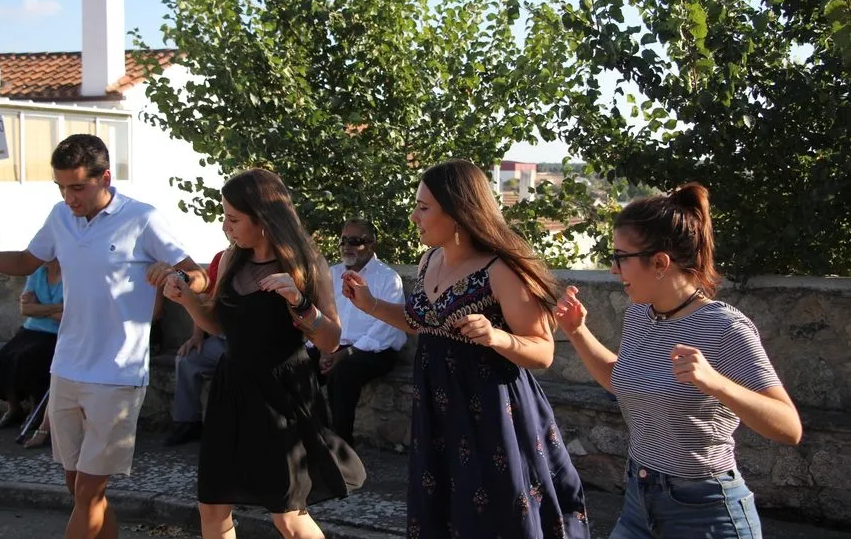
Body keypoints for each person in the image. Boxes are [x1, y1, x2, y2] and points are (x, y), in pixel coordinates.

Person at [0, 134, 207, 539]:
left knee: (88, 490)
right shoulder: (60, 216)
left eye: (78, 187)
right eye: (61, 187)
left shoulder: (142, 218)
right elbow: (28, 260)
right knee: (81, 492)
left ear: (105, 178)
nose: (69, 197)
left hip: (117, 373)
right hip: (66, 367)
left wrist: (176, 277)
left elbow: (199, 275)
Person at [342, 159, 590, 538]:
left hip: (490, 411)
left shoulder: (501, 270)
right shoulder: (430, 260)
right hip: (437, 407)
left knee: (495, 515)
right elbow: (421, 322)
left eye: (423, 208)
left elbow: (543, 351)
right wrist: (370, 304)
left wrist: (496, 337)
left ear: (457, 212)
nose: (414, 217)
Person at [553, 183, 802, 539]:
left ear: (659, 262)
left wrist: (715, 383)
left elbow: (789, 428)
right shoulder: (639, 315)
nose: (613, 270)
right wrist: (577, 332)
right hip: (638, 502)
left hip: (705, 512)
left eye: (621, 257)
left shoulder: (725, 327)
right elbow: (621, 380)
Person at [163, 168, 365, 539]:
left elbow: (330, 341)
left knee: (288, 515)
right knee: (212, 506)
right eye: (225, 217)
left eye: (234, 219)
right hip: (230, 389)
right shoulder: (231, 259)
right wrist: (187, 299)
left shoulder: (306, 264)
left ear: (263, 218)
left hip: (281, 394)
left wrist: (298, 301)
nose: (225, 226)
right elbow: (219, 325)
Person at [307, 219, 406, 448]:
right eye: (343, 241)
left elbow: (385, 329)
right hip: (333, 346)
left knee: (343, 374)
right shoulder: (331, 275)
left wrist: (347, 353)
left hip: (375, 350)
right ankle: (313, 438)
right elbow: (319, 315)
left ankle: (343, 447)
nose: (346, 246)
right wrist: (322, 349)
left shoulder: (388, 278)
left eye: (354, 241)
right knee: (299, 367)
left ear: (371, 244)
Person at [0, 259, 63, 432]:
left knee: (30, 360)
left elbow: (68, 314)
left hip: (56, 333)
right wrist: (56, 307)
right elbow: (26, 310)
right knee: (2, 358)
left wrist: (39, 307)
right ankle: (14, 409)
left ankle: (37, 411)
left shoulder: (70, 277)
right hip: (31, 329)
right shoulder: (37, 273)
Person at [165, 249, 227, 446]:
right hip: (222, 338)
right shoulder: (221, 257)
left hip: (252, 343)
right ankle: (188, 423)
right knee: (187, 359)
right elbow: (204, 299)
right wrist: (197, 335)